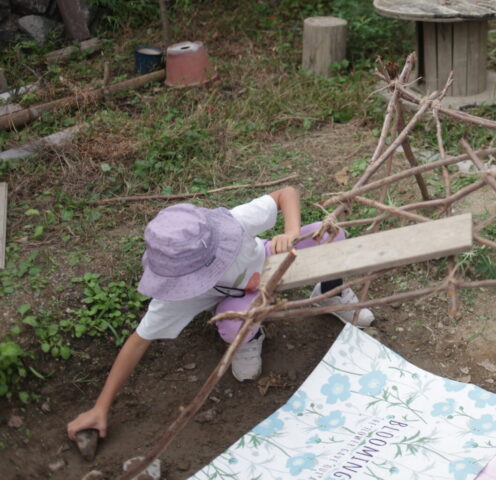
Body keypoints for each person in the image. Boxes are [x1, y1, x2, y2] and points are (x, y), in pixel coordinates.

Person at [66, 186, 373, 440]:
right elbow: (138, 341)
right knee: (234, 326)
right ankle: (250, 337)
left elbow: (286, 194)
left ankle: (325, 294)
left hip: (269, 259)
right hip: (239, 302)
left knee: (331, 238)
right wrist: (101, 406)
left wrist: (291, 232)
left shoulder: (233, 226)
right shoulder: (176, 297)